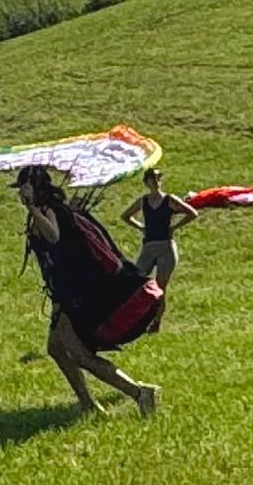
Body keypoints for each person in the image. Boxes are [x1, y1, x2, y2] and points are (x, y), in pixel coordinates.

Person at [16, 165, 162, 417]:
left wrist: (31, 208)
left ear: (35, 188)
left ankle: (139, 392)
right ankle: (87, 404)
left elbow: (53, 237)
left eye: (24, 187)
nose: (20, 192)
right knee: (56, 348)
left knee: (82, 357)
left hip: (75, 298)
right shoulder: (53, 210)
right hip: (66, 295)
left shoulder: (48, 210)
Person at [120, 167, 197, 295]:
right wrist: (141, 227)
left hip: (165, 247)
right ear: (146, 183)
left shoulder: (169, 199)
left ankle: (157, 314)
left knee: (160, 289)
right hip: (148, 247)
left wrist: (174, 227)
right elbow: (125, 216)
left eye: (158, 178)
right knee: (137, 279)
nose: (156, 181)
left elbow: (192, 213)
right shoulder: (143, 201)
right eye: (152, 178)